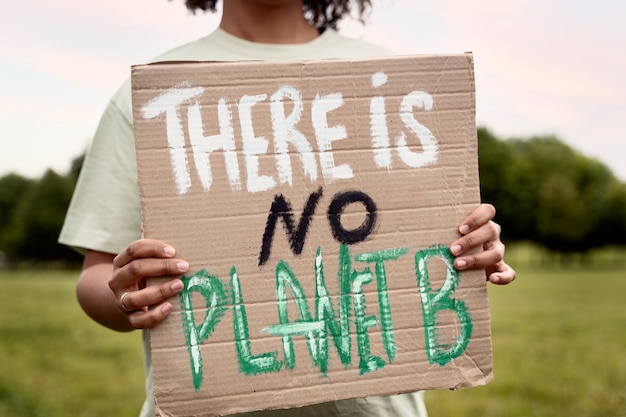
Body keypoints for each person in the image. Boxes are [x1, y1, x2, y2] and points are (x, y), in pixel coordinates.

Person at [59, 1, 516, 416]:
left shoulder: (387, 75)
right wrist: (130, 296)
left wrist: (474, 247)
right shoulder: (155, 88)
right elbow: (96, 275)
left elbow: (439, 232)